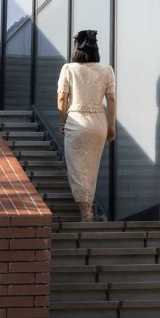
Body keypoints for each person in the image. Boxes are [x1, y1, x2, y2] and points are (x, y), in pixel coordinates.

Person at [57, 29, 115, 222]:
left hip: (76, 121)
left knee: (77, 168)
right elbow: (111, 99)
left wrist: (63, 120)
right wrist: (111, 126)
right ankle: (88, 207)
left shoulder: (69, 69)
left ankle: (86, 212)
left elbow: (61, 98)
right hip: (98, 123)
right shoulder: (107, 70)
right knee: (91, 168)